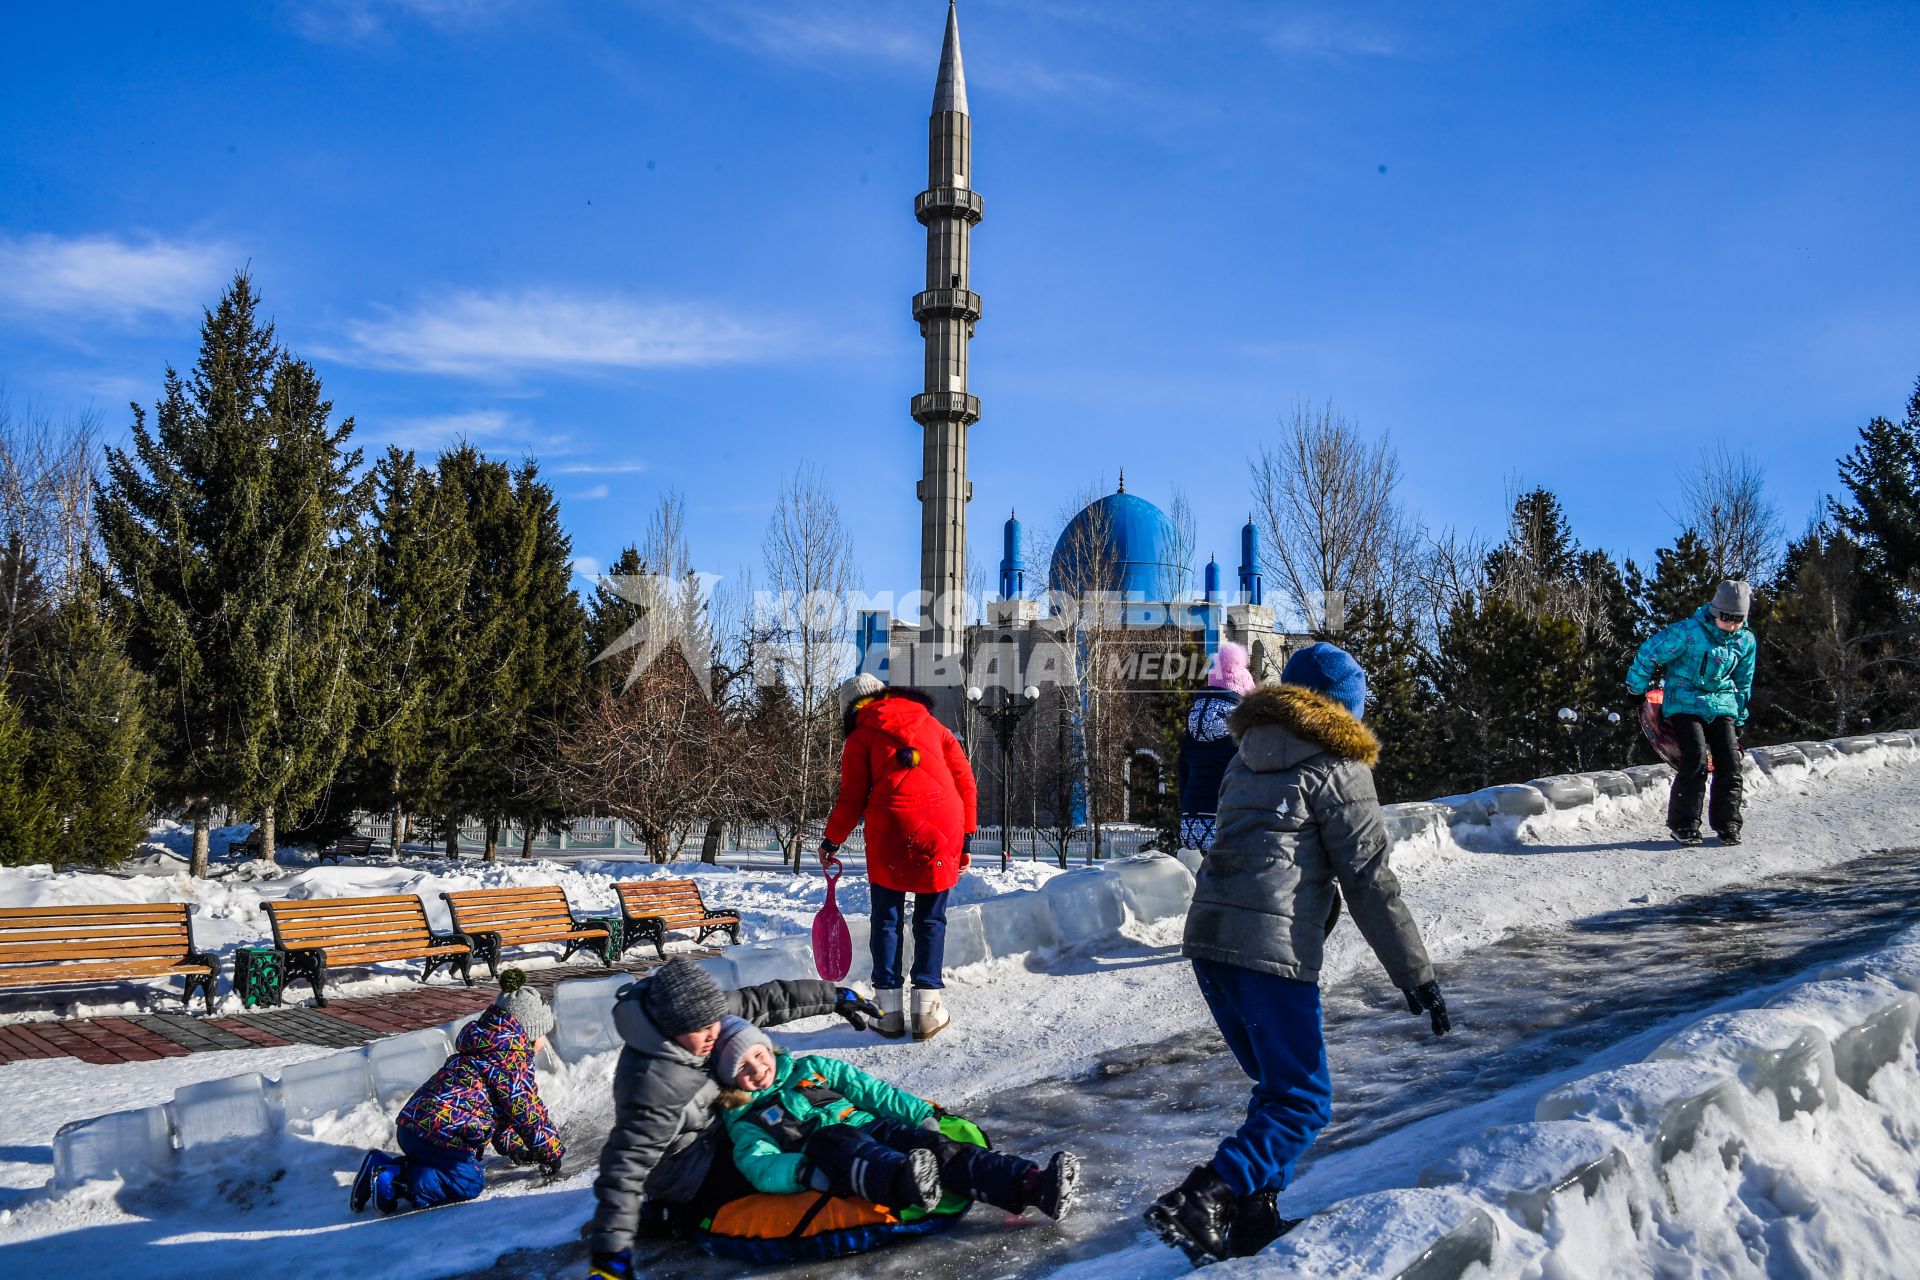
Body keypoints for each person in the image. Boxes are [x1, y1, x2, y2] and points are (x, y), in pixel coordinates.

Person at [1147, 642, 1450, 1266]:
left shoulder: (1248, 751)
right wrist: (1414, 973)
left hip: (1211, 941)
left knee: (1277, 1086)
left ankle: (1255, 1213)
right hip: (1268, 948)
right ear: (1346, 709)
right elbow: (1369, 879)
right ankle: (1206, 1196)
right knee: (1305, 1100)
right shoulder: (1340, 766)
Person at [586, 957, 885, 1280]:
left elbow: (763, 1000)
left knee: (795, 1122)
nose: (715, 1031)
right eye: (701, 1028)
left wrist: (835, 997)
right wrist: (610, 1259)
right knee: (782, 1164)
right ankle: (671, 1216)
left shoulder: (702, 1017)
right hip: (688, 1169)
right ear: (673, 1030)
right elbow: (623, 1170)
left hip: (724, 1128)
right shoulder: (651, 1083)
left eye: (715, 1021)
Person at [709, 1017, 1077, 1220]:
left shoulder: (811, 1067)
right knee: (838, 1140)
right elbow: (758, 1163)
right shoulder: (746, 1119)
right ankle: (908, 1183)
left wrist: (920, 1114)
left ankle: (1031, 1184)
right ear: (729, 1078)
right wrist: (803, 1171)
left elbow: (871, 1091)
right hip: (830, 1153)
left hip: (872, 1125)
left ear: (768, 1046)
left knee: (939, 1148)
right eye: (743, 1066)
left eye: (759, 1054)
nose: (758, 1069)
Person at [819, 674, 979, 1041]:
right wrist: (967, 839)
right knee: (931, 919)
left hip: (890, 829)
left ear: (850, 709)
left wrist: (831, 841)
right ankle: (927, 1011)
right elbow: (964, 780)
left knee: (887, 919)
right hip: (944, 827)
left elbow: (851, 797)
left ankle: (888, 1011)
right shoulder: (934, 725)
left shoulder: (861, 737)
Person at [350, 969, 561, 1214]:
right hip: (442, 1136)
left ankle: (380, 1165)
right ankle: (397, 1181)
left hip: (412, 1128)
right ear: (529, 1035)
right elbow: (527, 1113)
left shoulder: (482, 1049)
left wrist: (514, 1146)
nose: (544, 1041)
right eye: (543, 1034)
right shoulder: (511, 1063)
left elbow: (498, 1115)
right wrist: (550, 1152)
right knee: (468, 1181)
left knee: (437, 1165)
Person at [1626, 579, 1757, 846]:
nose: (1731, 625)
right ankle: (1684, 824)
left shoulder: (1745, 641)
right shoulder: (1688, 632)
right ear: (1715, 612)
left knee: (1731, 764)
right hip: (1684, 701)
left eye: (1738, 620)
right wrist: (1636, 689)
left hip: (1722, 704)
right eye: (1727, 618)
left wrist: (1740, 716)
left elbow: (1744, 680)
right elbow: (1649, 653)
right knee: (1695, 758)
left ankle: (1728, 822)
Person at [1178, 641, 1257, 851]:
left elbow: (1182, 774)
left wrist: (1186, 809)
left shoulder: (1193, 720)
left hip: (1191, 818)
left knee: (1198, 878)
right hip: (1227, 817)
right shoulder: (1241, 727)